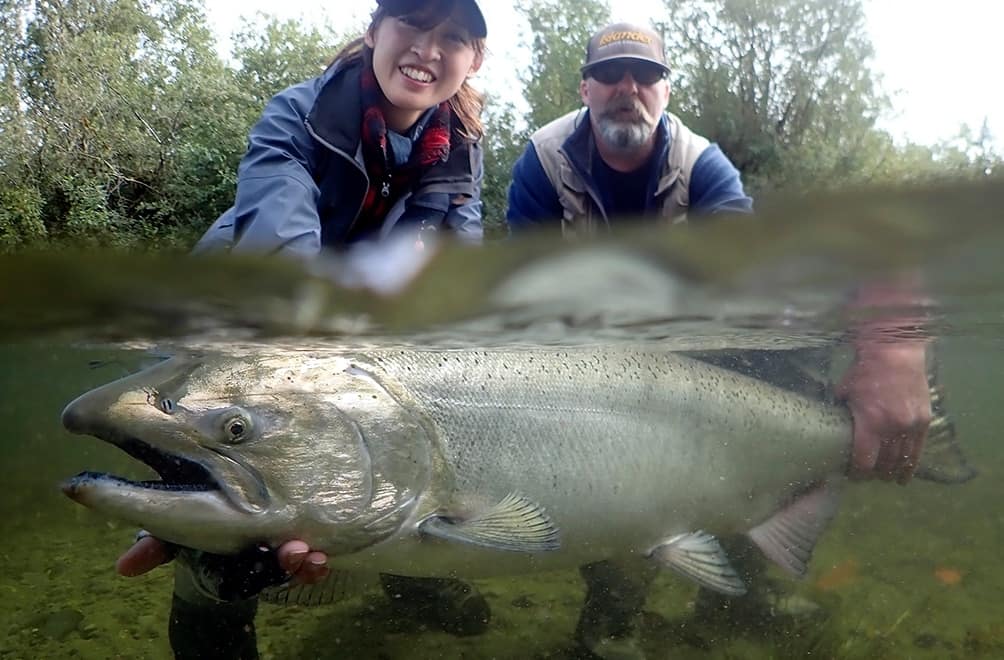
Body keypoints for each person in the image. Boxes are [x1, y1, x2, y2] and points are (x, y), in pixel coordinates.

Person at [505, 22, 932, 659]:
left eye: (646, 76)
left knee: (775, 364)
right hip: (584, 354)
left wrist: (893, 335)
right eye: (613, 74)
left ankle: (744, 593)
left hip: (694, 343)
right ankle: (612, 620)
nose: (629, 89)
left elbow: (751, 284)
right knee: (610, 476)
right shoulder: (541, 162)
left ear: (666, 89)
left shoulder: (703, 165)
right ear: (585, 87)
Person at [117, 1, 490, 657]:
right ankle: (210, 597)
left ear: (474, 59)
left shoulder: (462, 151)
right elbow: (282, 247)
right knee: (221, 539)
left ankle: (412, 580)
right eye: (410, 25)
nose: (428, 50)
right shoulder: (297, 112)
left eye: (453, 37)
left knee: (403, 462)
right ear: (374, 32)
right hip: (233, 321)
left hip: (363, 333)